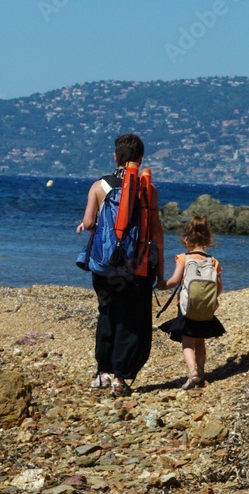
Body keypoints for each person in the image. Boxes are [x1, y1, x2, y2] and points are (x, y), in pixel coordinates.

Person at [76, 133, 163, 397]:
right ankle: (121, 378)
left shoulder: (99, 186)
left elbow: (90, 223)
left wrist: (87, 226)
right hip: (138, 265)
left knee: (107, 313)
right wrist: (160, 270)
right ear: (140, 159)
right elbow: (156, 233)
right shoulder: (148, 189)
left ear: (116, 156)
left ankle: (103, 372)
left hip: (105, 266)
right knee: (132, 319)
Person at [157, 215, 225, 390]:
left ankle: (192, 372)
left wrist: (161, 285)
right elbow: (218, 288)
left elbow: (174, 281)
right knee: (200, 341)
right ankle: (201, 373)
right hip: (205, 310)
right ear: (208, 241)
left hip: (186, 307)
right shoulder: (214, 262)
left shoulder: (183, 258)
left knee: (187, 342)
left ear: (186, 239)